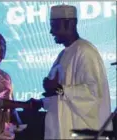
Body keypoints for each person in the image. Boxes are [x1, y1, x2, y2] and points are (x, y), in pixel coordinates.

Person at [29, 4, 112, 139]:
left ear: (71, 24)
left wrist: (59, 89)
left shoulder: (85, 51)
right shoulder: (62, 54)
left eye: (55, 26)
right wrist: (42, 102)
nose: (51, 31)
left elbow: (93, 93)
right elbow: (61, 97)